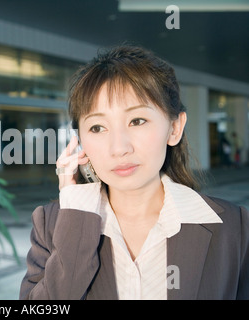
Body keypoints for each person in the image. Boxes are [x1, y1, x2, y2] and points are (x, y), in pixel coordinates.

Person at [19, 45, 249, 300]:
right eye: (97, 127)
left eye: (137, 121)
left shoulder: (234, 227)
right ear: (80, 139)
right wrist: (76, 218)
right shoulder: (51, 224)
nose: (119, 148)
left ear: (174, 128)